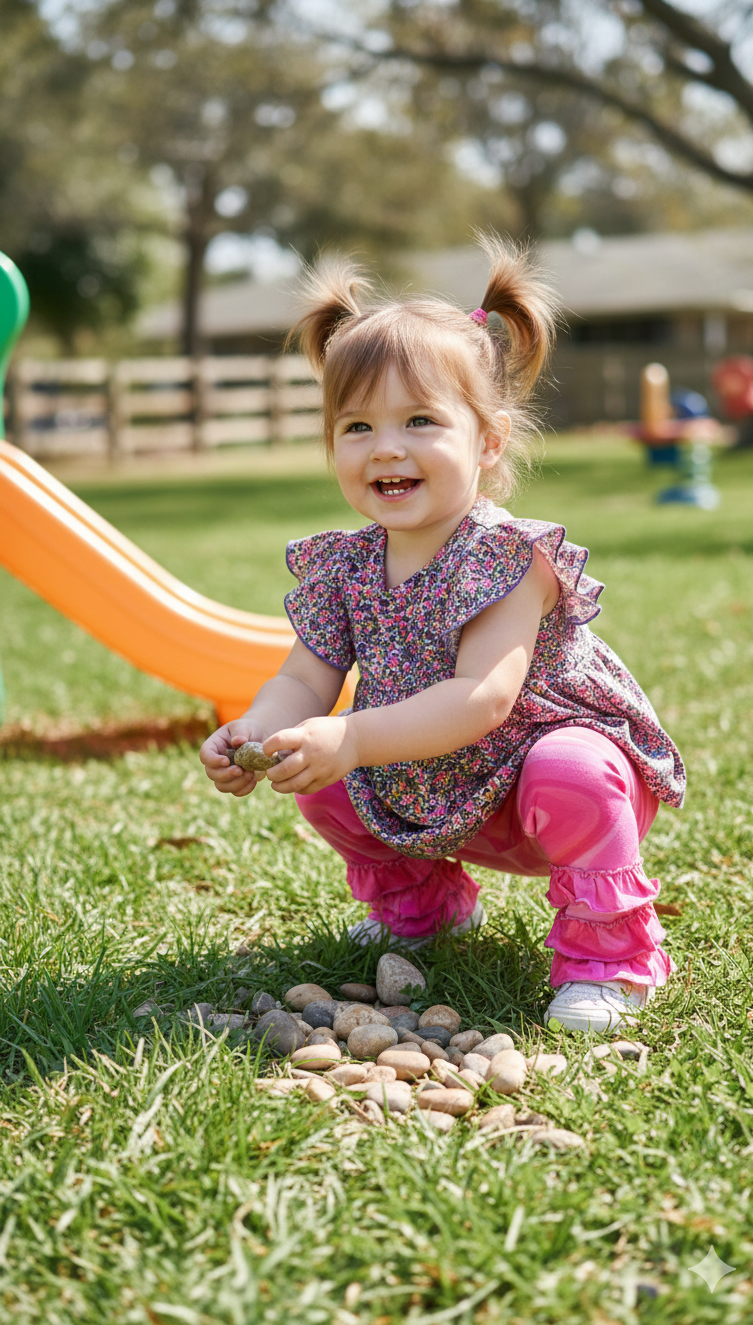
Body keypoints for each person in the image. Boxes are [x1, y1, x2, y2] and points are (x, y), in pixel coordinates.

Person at [200, 236, 685, 1035]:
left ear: (487, 441)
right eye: (356, 426)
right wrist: (260, 727)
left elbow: (482, 697)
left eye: (420, 420)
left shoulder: (507, 557)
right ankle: (423, 912)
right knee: (310, 761)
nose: (386, 446)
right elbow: (303, 680)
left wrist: (351, 736)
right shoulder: (346, 568)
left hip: (548, 782)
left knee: (569, 766)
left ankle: (612, 958)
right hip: (426, 783)